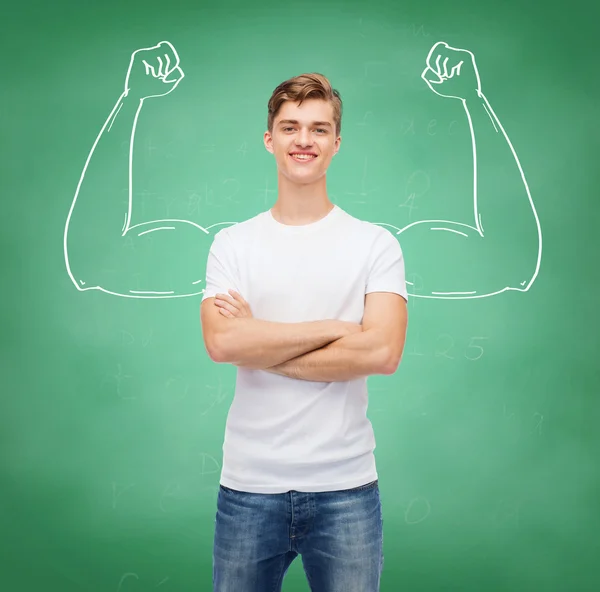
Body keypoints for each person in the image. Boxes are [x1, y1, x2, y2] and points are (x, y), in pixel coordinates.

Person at [200, 72, 408, 592]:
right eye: (290, 127)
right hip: (249, 486)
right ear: (269, 139)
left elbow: (382, 351)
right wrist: (337, 331)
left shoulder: (375, 244)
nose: (304, 140)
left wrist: (259, 341)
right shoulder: (232, 244)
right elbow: (223, 343)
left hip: (347, 488)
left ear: (336, 143)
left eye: (318, 129)